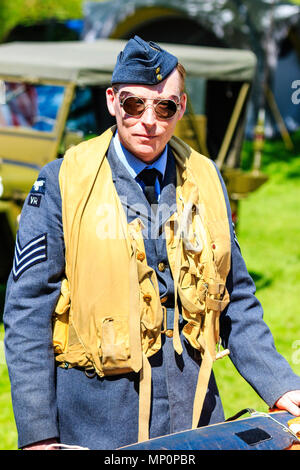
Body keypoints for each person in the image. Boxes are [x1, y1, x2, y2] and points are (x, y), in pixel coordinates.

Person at [3, 35, 300, 451]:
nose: (149, 120)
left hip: (195, 416)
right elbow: (26, 314)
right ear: (112, 101)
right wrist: (38, 436)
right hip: (98, 425)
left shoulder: (206, 179)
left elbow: (237, 299)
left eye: (164, 107)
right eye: (134, 104)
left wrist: (283, 385)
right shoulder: (61, 183)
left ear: (180, 109)